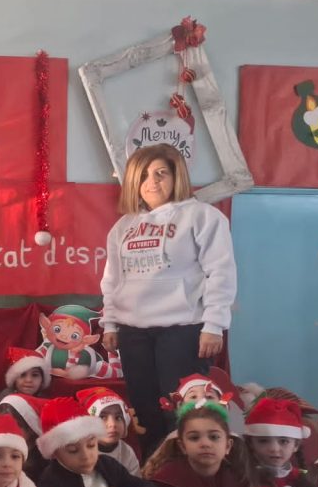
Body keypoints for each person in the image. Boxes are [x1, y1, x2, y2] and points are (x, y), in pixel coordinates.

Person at [100, 144, 237, 459]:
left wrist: (214, 325)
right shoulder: (123, 227)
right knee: (146, 410)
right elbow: (112, 280)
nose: (152, 182)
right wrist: (110, 323)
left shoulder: (202, 216)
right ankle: (154, 473)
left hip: (182, 329)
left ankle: (188, 474)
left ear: (177, 177)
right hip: (133, 331)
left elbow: (220, 272)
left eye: (161, 173)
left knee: (182, 412)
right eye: (144, 175)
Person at [143, 401, 264, 487]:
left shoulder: (238, 480)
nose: (205, 443)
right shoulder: (165, 482)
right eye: (194, 438)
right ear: (182, 446)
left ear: (228, 446)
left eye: (214, 437)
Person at [76, 387, 141, 476]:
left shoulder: (126, 452)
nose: (112, 424)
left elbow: (136, 481)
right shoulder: (79, 453)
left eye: (118, 417)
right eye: (102, 417)